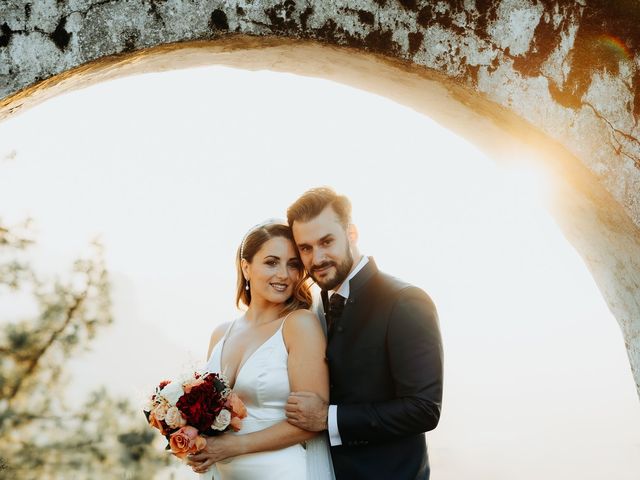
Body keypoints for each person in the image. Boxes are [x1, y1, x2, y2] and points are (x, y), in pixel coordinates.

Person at [284, 187, 444, 480]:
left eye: (326, 242)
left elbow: (424, 409)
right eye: (305, 248)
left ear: (352, 233)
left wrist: (327, 417)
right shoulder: (315, 306)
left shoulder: (405, 301)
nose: (317, 258)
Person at [187, 221, 335, 479]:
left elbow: (312, 423)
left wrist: (233, 446)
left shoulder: (299, 325)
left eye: (293, 264)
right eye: (271, 262)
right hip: (219, 473)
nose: (284, 274)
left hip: (280, 471)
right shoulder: (221, 333)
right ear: (246, 267)